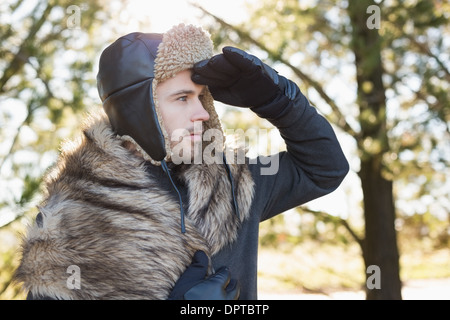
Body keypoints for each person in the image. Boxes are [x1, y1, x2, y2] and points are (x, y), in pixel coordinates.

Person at [14, 24, 349, 300]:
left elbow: (325, 169)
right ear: (137, 107)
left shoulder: (233, 182)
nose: (202, 112)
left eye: (202, 97)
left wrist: (280, 101)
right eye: (183, 98)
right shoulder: (70, 218)